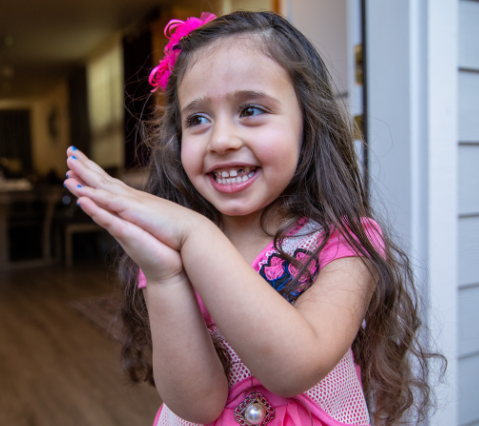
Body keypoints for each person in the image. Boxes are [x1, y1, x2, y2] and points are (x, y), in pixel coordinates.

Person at [64, 11, 443, 426]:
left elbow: (294, 368)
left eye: (251, 109)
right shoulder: (167, 254)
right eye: (198, 119)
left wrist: (197, 235)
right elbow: (197, 405)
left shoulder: (347, 244)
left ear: (307, 123)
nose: (222, 140)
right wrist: (164, 278)